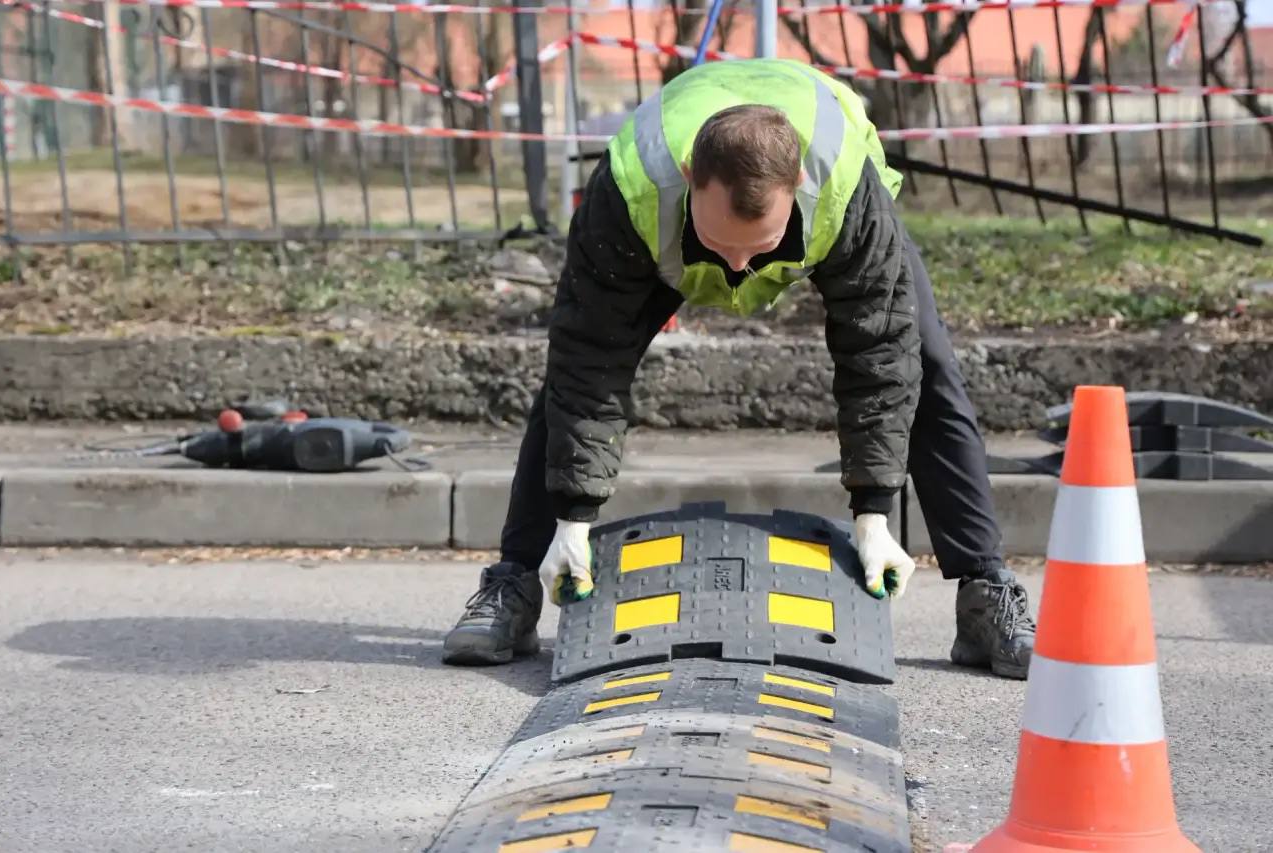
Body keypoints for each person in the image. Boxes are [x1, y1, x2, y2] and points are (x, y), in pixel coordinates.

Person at [441, 58, 1036, 679]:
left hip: (831, 218)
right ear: (690, 178)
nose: (739, 269)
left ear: (798, 182)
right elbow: (588, 366)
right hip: (656, 239)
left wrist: (874, 513)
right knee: (570, 378)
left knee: (924, 366)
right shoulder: (628, 193)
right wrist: (572, 519)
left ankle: (984, 591)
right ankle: (513, 582)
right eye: (724, 245)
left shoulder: (844, 192)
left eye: (761, 246)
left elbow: (879, 361)